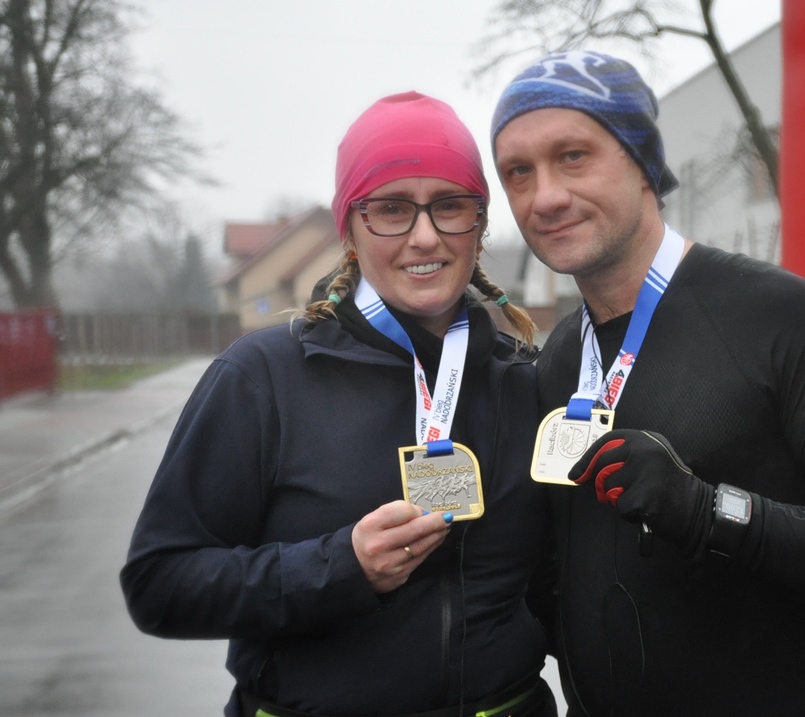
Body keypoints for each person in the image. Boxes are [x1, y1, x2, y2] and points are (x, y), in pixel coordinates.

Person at [490, 50, 805, 716]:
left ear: (641, 161)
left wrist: (709, 512)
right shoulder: (560, 357)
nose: (546, 196)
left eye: (573, 156)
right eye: (518, 171)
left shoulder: (780, 315)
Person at [121, 91, 557, 717]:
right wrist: (338, 568)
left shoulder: (522, 379)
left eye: (450, 205)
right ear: (349, 229)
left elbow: (558, 586)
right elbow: (159, 586)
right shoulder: (262, 378)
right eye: (391, 209)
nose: (425, 236)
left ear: (480, 224)